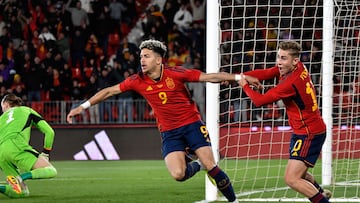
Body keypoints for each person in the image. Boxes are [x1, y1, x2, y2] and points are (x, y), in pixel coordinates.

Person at [67, 39, 261, 202]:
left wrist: (239, 77)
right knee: (178, 174)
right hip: (169, 132)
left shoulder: (176, 74)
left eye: (146, 56)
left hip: (192, 124)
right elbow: (109, 91)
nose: (142, 59)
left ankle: (233, 200)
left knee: (212, 165)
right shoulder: (136, 80)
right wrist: (82, 107)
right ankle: (198, 165)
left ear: (159, 60)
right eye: (141, 56)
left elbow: (208, 77)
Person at [238, 40, 331, 203]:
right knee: (300, 174)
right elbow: (268, 72)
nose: (279, 62)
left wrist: (244, 85)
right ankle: (321, 194)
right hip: (304, 130)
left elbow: (259, 101)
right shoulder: (298, 66)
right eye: (278, 57)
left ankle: (322, 200)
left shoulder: (290, 83)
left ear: (294, 60)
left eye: (283, 58)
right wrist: (241, 76)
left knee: (291, 179)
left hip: (309, 133)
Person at [0, 93, 57, 198]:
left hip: (1, 153)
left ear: (6, 104)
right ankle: (22, 177)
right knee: (51, 171)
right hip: (16, 146)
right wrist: (45, 154)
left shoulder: (1, 118)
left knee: (21, 192)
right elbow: (50, 132)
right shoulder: (27, 110)